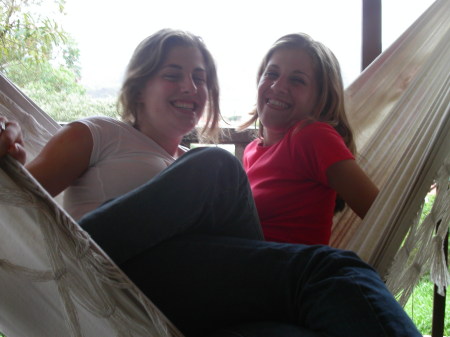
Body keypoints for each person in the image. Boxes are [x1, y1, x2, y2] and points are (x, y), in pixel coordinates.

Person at [0, 28, 421, 337]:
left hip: (195, 307)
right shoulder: (98, 133)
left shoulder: (187, 166)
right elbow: (17, 206)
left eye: (200, 78)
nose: (190, 86)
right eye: (173, 73)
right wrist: (10, 155)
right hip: (106, 276)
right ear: (140, 85)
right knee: (222, 170)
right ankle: (79, 255)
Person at [240, 33, 380, 245]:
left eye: (297, 80)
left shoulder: (312, 136)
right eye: (271, 74)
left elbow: (382, 213)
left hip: (285, 272)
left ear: (320, 99)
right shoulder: (252, 150)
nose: (278, 86)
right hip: (242, 264)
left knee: (214, 160)